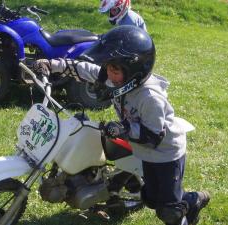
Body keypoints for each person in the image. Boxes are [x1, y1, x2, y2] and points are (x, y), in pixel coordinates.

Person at [30, 25, 210, 225]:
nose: (108, 73)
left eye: (114, 70)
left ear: (134, 70)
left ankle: (192, 203)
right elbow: (85, 69)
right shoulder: (117, 79)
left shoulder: (150, 98)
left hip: (166, 153)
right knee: (150, 198)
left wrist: (123, 129)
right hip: (141, 150)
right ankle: (184, 200)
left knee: (168, 211)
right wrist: (53, 64)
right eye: (108, 67)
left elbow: (153, 136)